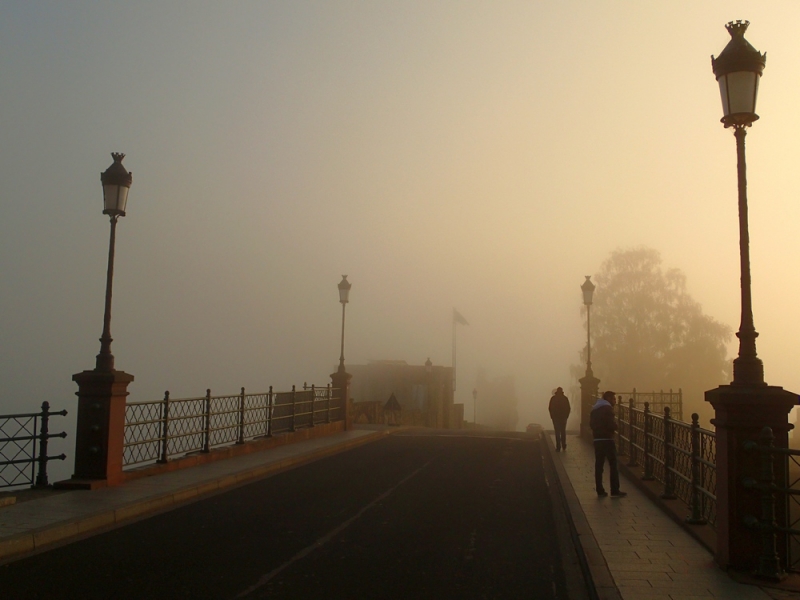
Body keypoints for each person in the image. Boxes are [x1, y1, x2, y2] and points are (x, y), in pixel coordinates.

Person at [590, 391, 627, 498]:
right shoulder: (608, 409)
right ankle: (615, 490)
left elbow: (591, 424)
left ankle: (600, 490)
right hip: (607, 439)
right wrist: (616, 426)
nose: (615, 401)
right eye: (614, 399)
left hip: (597, 439)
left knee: (599, 464)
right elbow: (610, 424)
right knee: (613, 463)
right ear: (609, 398)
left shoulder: (594, 409)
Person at [548, 387, 570, 452]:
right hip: (563, 418)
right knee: (563, 431)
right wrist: (566, 416)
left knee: (557, 432)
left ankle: (558, 446)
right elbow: (568, 408)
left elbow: (550, 408)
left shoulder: (553, 399)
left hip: (556, 418)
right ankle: (563, 445)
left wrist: (552, 416)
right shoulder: (565, 399)